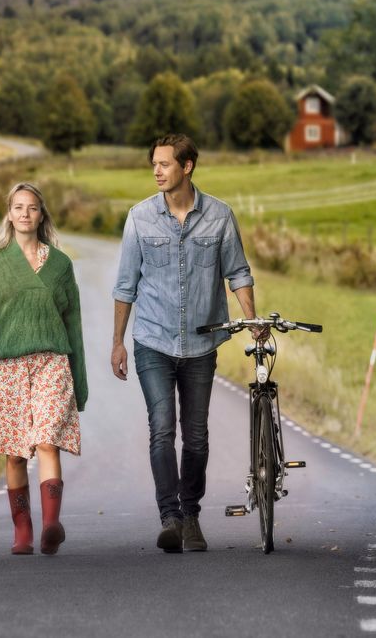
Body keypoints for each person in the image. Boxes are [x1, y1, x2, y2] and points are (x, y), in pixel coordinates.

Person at [111, 133, 263, 554]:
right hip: (153, 342)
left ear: (187, 166)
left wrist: (251, 319)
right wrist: (118, 343)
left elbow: (239, 273)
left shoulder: (219, 216)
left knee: (195, 436)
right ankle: (170, 519)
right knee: (162, 429)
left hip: (201, 345)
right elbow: (126, 286)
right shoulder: (139, 218)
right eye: (154, 164)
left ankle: (191, 514)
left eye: (165, 164)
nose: (157, 171)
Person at [0, 182, 87, 556]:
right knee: (14, 453)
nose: (25, 213)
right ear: (9, 215)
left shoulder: (61, 266)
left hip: (51, 363)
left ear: (41, 215)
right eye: (18, 207)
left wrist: (80, 381)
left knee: (47, 441)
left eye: (32, 207)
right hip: (8, 367)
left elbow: (73, 324)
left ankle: (50, 525)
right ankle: (23, 528)